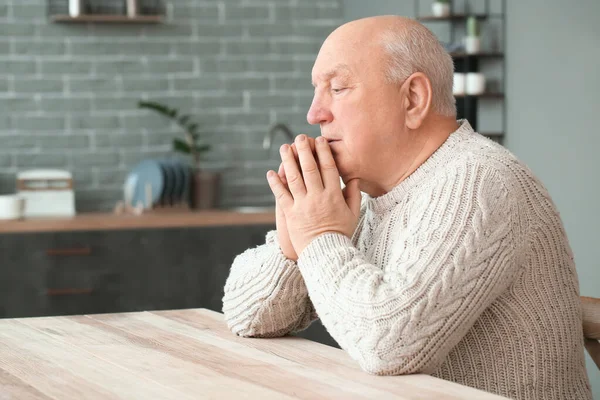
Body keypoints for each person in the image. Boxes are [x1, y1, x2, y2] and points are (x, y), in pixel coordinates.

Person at [222, 15, 592, 400]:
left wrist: (318, 236)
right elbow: (247, 315)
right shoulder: (363, 196)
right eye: (317, 91)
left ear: (412, 98)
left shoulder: (479, 181)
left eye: (338, 87)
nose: (314, 114)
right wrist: (291, 242)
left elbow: (389, 347)